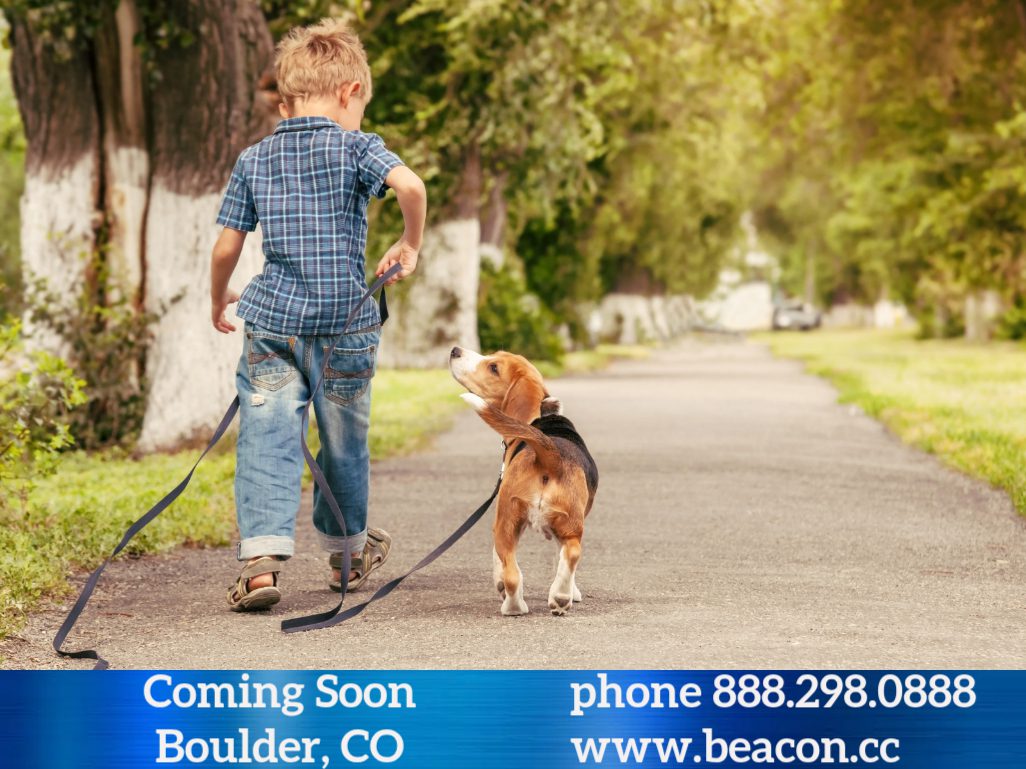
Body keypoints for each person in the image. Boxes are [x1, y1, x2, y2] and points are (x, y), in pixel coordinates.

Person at [209, 18, 427, 611]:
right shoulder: (357, 147)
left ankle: (259, 566)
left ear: (286, 99)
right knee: (343, 444)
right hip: (345, 330)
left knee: (267, 437)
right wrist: (410, 243)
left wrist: (217, 297)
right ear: (350, 91)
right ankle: (346, 557)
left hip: (273, 328)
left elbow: (227, 246)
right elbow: (411, 187)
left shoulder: (254, 159)